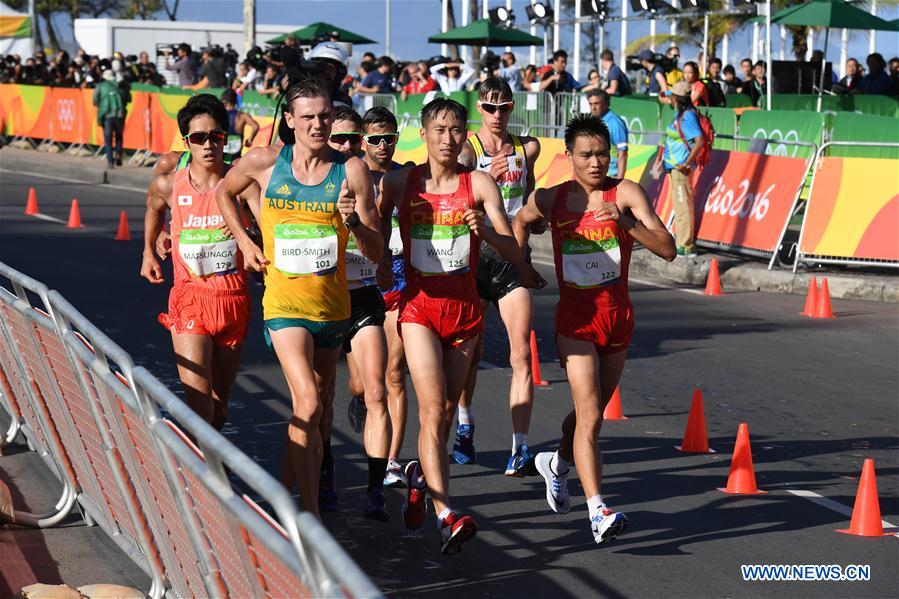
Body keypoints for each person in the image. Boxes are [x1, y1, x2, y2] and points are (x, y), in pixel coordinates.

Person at [214, 77, 384, 518]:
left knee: (321, 405)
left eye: (325, 115)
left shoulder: (352, 170)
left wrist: (356, 225)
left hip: (333, 310)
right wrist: (245, 243)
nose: (318, 124)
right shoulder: (265, 162)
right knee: (307, 401)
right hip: (284, 307)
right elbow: (223, 192)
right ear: (289, 120)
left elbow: (377, 250)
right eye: (307, 117)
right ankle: (307, 518)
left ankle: (278, 497)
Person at [378, 98, 536, 554]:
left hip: (465, 312)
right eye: (440, 129)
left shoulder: (479, 183)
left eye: (456, 130)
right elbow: (372, 225)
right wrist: (373, 254)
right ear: (424, 134)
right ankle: (447, 515)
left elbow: (511, 251)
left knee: (446, 412)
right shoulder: (399, 182)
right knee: (431, 410)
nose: (448, 139)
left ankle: (418, 479)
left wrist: (484, 230)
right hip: (420, 310)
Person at [512, 114, 675, 545]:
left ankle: (556, 464)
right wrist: (522, 265)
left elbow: (669, 249)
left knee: (593, 413)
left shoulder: (625, 193)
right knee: (589, 416)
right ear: (568, 157)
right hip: (576, 322)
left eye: (602, 153)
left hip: (618, 318)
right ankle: (598, 510)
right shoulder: (553, 198)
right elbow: (520, 219)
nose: (595, 162)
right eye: (585, 155)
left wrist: (625, 223)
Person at [140, 94, 255, 430]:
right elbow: (152, 207)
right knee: (197, 400)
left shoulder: (242, 181)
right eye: (199, 138)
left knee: (219, 406)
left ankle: (210, 462)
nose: (208, 145)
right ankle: (198, 480)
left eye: (216, 136)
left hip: (233, 301)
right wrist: (150, 247)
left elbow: (270, 221)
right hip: (190, 299)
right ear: (187, 141)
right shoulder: (169, 182)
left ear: (225, 138)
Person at [455, 78, 543, 474]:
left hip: (512, 258)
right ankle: (465, 425)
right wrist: (488, 170)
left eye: (503, 108)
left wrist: (536, 221)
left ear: (512, 109)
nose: (496, 115)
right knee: (468, 356)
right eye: (489, 108)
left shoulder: (528, 148)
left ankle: (520, 447)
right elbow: (455, 195)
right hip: (474, 257)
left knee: (520, 353)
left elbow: (530, 201)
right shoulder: (468, 149)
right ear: (479, 110)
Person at [321, 105, 394, 520]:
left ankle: (374, 491)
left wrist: (353, 223)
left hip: (363, 294)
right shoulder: (309, 178)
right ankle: (327, 472)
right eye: (340, 139)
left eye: (354, 139)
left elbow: (377, 248)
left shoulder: (363, 179)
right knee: (329, 396)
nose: (348, 147)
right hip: (324, 300)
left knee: (377, 391)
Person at [358, 106, 409, 489]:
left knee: (394, 374)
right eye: (375, 138)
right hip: (360, 276)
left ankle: (391, 459)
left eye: (388, 138)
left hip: (399, 274)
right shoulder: (350, 174)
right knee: (362, 384)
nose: (382, 145)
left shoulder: (406, 175)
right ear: (364, 140)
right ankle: (365, 403)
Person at [654, 81, 705, 257]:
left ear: (679, 97)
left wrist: (687, 162)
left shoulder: (688, 116)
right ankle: (682, 240)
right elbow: (663, 98)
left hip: (680, 169)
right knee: (680, 205)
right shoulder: (680, 114)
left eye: (672, 95)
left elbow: (700, 140)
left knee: (684, 206)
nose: (670, 98)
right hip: (674, 169)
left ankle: (687, 245)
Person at [586, 90, 628, 179]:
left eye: (597, 103)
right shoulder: (593, 120)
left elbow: (622, 154)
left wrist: (619, 182)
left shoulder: (615, 123)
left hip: (611, 175)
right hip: (595, 173)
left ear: (606, 104)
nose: (593, 107)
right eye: (590, 104)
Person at [93, 69, 127, 169]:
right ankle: (118, 154)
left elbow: (95, 99)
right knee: (119, 136)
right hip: (120, 114)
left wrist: (100, 104)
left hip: (107, 114)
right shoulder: (120, 85)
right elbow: (127, 98)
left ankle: (110, 161)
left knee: (108, 139)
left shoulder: (101, 86)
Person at [220, 89, 260, 163]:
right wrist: (250, 140)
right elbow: (255, 126)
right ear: (235, 101)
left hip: (221, 156)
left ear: (224, 102)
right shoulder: (242, 116)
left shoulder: (220, 115)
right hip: (236, 158)